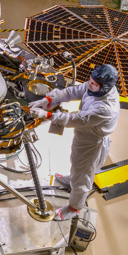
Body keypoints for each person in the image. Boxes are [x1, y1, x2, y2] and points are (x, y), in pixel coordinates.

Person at [29, 64, 121, 221]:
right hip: (84, 135)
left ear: (104, 87)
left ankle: (74, 208)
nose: (89, 85)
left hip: (93, 142)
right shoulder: (96, 88)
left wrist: (47, 115)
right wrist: (48, 99)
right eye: (90, 81)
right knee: (76, 163)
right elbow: (72, 91)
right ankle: (72, 180)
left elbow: (74, 119)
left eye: (94, 84)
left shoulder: (106, 108)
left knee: (83, 175)